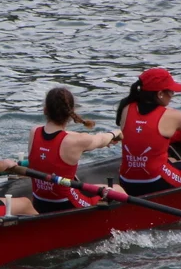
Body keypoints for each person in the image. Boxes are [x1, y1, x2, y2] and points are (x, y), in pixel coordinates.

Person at [115, 68, 181, 196]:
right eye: (171, 91)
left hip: (126, 181)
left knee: (172, 160)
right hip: (155, 181)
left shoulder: (126, 108)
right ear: (160, 94)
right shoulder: (170, 115)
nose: (172, 95)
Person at [27, 86, 125, 214]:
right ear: (71, 112)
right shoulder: (77, 140)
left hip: (39, 202)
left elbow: (54, 143)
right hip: (67, 203)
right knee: (117, 190)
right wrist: (115, 133)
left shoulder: (34, 132)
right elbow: (101, 139)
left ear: (45, 110)